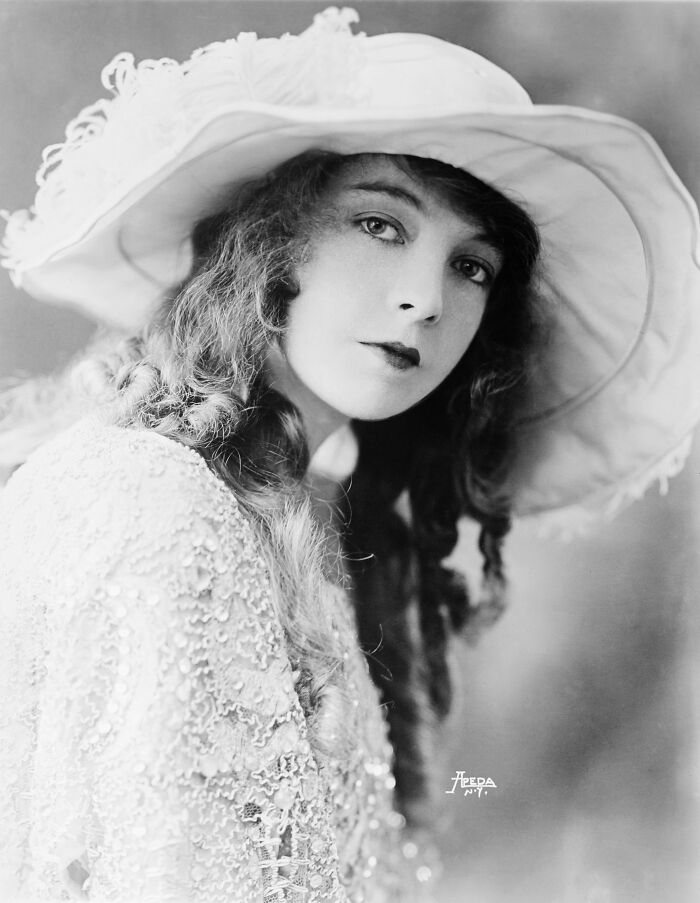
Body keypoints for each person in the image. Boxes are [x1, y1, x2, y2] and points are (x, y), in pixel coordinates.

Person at [0, 8, 698, 903]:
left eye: (472, 266)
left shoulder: (318, 523)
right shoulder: (152, 501)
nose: (426, 299)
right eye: (380, 224)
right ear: (274, 242)